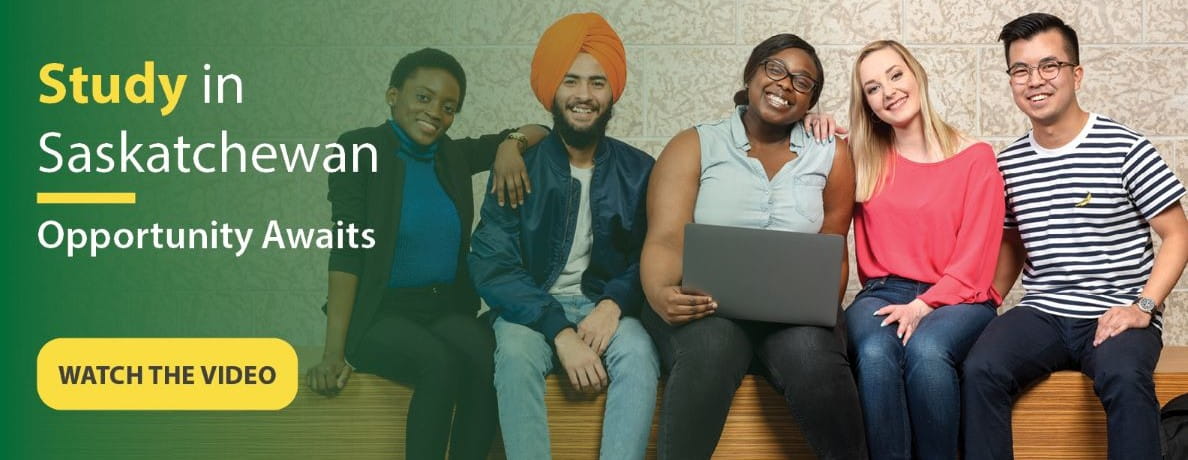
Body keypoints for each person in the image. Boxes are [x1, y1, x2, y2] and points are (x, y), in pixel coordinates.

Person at [962, 13, 1188, 460]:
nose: (1034, 80)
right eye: (1020, 70)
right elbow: (1012, 244)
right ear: (1011, 80)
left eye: (1049, 66)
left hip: (1116, 312)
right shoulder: (1009, 164)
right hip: (1043, 313)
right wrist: (983, 306)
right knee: (979, 367)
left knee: (1124, 377)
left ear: (1076, 74)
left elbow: (1178, 234)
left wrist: (1143, 307)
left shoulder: (1126, 147)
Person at [305, 48, 548, 460]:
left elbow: (541, 128)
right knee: (439, 365)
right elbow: (346, 251)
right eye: (423, 97)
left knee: (487, 357)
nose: (435, 112)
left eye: (448, 107)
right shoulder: (359, 148)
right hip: (380, 313)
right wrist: (333, 352)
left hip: (441, 310)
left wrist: (510, 145)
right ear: (393, 95)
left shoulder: (451, 155)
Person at [639, 33, 867, 460]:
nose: (785, 85)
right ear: (752, 73)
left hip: (793, 315)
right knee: (710, 351)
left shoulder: (830, 154)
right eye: (775, 69)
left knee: (815, 363)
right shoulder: (695, 144)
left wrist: (816, 311)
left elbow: (833, 246)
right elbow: (666, 238)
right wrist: (659, 293)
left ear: (811, 101)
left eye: (803, 82)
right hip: (709, 308)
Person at [467, 13, 659, 460]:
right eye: (571, 81)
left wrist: (613, 305)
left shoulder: (640, 171)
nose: (583, 96)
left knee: (639, 350)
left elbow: (653, 254)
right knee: (514, 354)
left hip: (605, 306)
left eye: (597, 83)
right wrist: (558, 330)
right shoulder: (518, 167)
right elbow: (491, 264)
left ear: (612, 93)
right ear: (552, 90)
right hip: (530, 308)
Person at [843, 39, 1004, 460]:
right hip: (882, 291)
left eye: (895, 75)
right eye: (872, 88)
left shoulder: (976, 157)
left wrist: (924, 306)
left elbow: (977, 259)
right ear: (869, 106)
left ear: (917, 76)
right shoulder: (861, 157)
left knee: (927, 351)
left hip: (959, 297)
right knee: (875, 353)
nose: (888, 91)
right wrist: (815, 121)